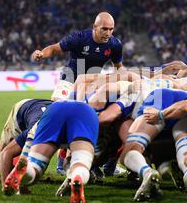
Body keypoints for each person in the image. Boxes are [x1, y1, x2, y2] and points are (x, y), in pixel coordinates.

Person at [31, 12, 123, 174]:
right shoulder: (79, 38)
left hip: (92, 84)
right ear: (95, 27)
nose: (108, 33)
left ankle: (93, 160)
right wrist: (41, 53)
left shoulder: (114, 45)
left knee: (88, 119)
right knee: (57, 111)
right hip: (70, 79)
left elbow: (119, 67)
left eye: (111, 29)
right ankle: (45, 155)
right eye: (104, 29)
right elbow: (54, 49)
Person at [3, 100, 99, 203]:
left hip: (53, 111)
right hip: (85, 113)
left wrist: (22, 184)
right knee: (80, 162)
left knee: (34, 166)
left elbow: (24, 157)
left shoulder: (37, 123)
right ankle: (78, 175)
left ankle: (27, 171)